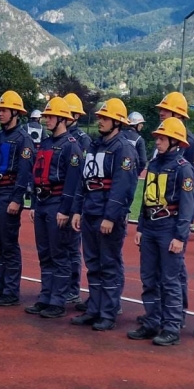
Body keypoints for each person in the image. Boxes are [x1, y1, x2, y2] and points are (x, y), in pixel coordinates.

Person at [127, 118, 194, 346]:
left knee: (170, 281)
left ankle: (171, 327)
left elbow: (187, 207)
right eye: (157, 137)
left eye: (162, 138)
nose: (157, 141)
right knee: (148, 278)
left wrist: (179, 237)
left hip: (169, 229)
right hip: (151, 229)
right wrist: (141, 227)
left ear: (175, 141)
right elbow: (147, 199)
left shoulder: (183, 169)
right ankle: (152, 322)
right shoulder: (154, 165)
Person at [70, 98, 138, 331]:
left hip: (107, 216)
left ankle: (108, 313)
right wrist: (79, 210)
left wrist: (110, 216)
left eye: (105, 118)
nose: (100, 121)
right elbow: (84, 180)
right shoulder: (96, 146)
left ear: (117, 122)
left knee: (108, 264)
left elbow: (123, 186)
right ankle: (94, 309)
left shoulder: (124, 149)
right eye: (100, 117)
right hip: (90, 211)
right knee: (93, 264)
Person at [0, 91, 35, 307]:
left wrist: (17, 199)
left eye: (3, 110)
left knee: (9, 244)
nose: (0, 113)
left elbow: (24, 172)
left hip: (8, 195)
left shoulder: (24, 140)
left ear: (15, 113)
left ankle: (11, 291)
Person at [26, 97, 82, 319]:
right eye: (46, 116)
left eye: (50, 116)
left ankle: (58, 301)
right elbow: (36, 174)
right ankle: (45, 296)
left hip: (58, 204)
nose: (46, 120)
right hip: (42, 203)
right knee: (44, 253)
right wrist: (33, 203)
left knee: (59, 255)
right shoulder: (47, 144)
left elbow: (73, 181)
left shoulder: (71, 146)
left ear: (62, 119)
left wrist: (65, 210)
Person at [155, 92, 194, 324]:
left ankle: (178, 314)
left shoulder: (191, 145)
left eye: (165, 111)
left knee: (175, 269)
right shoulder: (164, 140)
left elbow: (192, 189)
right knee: (159, 270)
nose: (161, 113)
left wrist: (183, 227)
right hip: (158, 216)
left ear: (178, 115)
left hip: (175, 218)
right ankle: (160, 314)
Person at [62, 93, 91, 306]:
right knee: (58, 247)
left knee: (72, 247)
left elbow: (84, 175)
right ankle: (59, 287)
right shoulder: (57, 138)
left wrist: (77, 206)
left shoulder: (82, 140)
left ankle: (72, 289)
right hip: (58, 199)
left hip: (74, 201)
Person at [122, 112, 148, 176]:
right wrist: (137, 172)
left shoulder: (119, 134)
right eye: (141, 123)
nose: (142, 125)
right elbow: (143, 161)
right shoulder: (139, 139)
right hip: (130, 172)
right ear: (136, 124)